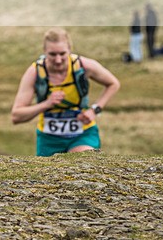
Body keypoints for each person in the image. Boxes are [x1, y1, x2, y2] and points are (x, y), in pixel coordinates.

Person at [11, 28, 120, 157]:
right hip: (49, 139)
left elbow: (113, 83)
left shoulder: (84, 66)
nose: (58, 60)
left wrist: (95, 109)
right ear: (44, 51)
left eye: (62, 54)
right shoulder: (35, 72)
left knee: (81, 160)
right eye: (52, 54)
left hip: (82, 133)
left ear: (70, 49)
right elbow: (16, 116)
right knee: (49, 175)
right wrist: (47, 104)